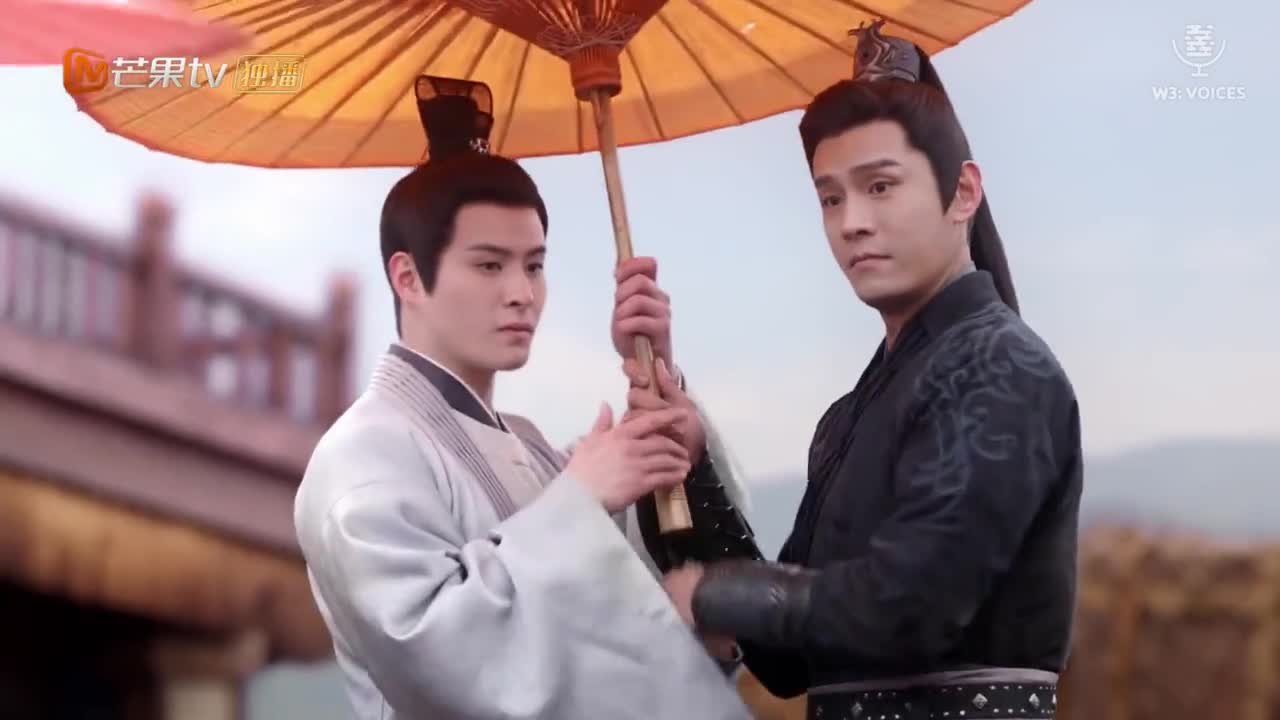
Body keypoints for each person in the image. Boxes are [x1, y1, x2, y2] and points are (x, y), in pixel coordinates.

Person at [641, 21, 1084, 720]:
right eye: (830, 197)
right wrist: (691, 465)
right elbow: (784, 661)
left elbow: (913, 606)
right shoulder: (846, 419)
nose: (851, 222)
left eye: (880, 186)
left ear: (963, 191)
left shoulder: (1004, 368)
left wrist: (716, 594)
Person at [292, 76, 755, 720]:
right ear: (409, 276)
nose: (522, 293)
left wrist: (657, 385)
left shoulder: (532, 449)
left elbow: (630, 617)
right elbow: (435, 657)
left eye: (534, 265)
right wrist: (581, 500)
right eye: (490, 265)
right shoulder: (362, 456)